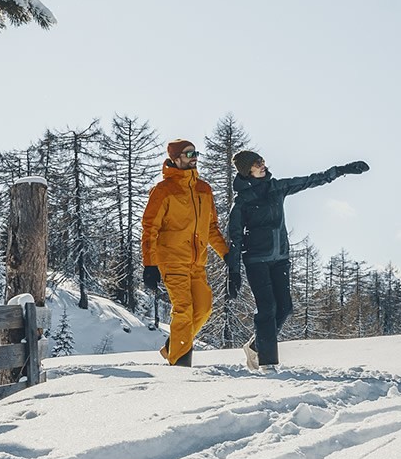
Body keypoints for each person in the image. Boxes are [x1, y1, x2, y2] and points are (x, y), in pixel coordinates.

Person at [226, 151, 369, 368]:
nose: (263, 164)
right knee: (267, 309)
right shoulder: (242, 202)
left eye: (263, 160)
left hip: (280, 258)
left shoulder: (277, 188)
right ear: (247, 170)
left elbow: (311, 180)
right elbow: (235, 238)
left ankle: (256, 346)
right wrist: (233, 272)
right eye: (257, 163)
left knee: (285, 307)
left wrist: (340, 170)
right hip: (256, 260)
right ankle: (268, 364)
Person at [142, 139, 230, 367]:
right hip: (172, 260)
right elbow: (150, 229)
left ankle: (173, 347)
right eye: (189, 153)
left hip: (197, 262)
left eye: (195, 153)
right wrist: (149, 265)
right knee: (183, 310)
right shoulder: (163, 191)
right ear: (175, 159)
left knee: (204, 308)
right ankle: (179, 365)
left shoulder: (204, 189)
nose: (194, 157)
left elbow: (211, 228)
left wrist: (226, 254)